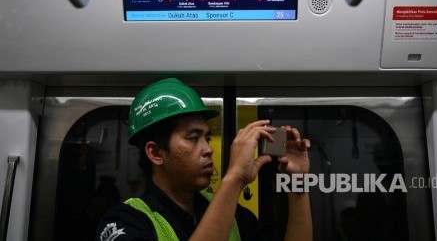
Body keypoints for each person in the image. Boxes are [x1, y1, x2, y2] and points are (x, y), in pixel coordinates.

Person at [95, 78, 313, 241]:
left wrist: (298, 184)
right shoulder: (124, 223)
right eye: (193, 138)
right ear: (156, 153)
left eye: (207, 139)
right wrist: (234, 178)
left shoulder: (236, 217)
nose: (208, 149)